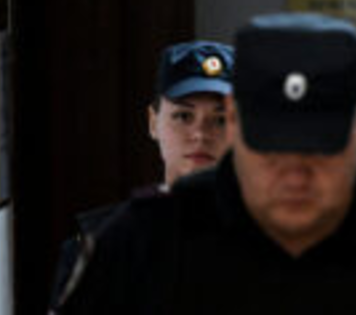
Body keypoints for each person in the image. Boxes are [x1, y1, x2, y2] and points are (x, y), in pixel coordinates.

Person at [56, 13, 356, 315]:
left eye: (317, 146)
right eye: (272, 145)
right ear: (238, 122)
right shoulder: (141, 242)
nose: (294, 172)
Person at [50, 40, 234, 308]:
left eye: (220, 119)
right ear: (153, 122)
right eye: (183, 116)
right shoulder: (102, 244)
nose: (200, 134)